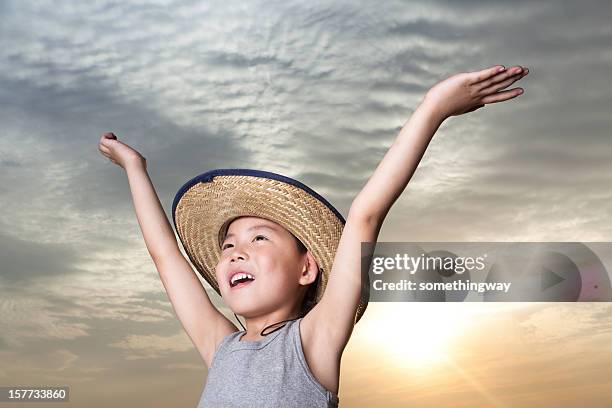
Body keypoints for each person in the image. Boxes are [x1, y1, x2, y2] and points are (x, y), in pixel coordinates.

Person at [97, 64, 529, 407]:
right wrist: (135, 168)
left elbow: (366, 216)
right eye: (228, 245)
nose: (236, 252)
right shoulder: (221, 348)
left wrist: (433, 108)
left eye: (259, 239)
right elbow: (165, 255)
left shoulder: (311, 342)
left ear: (306, 267)